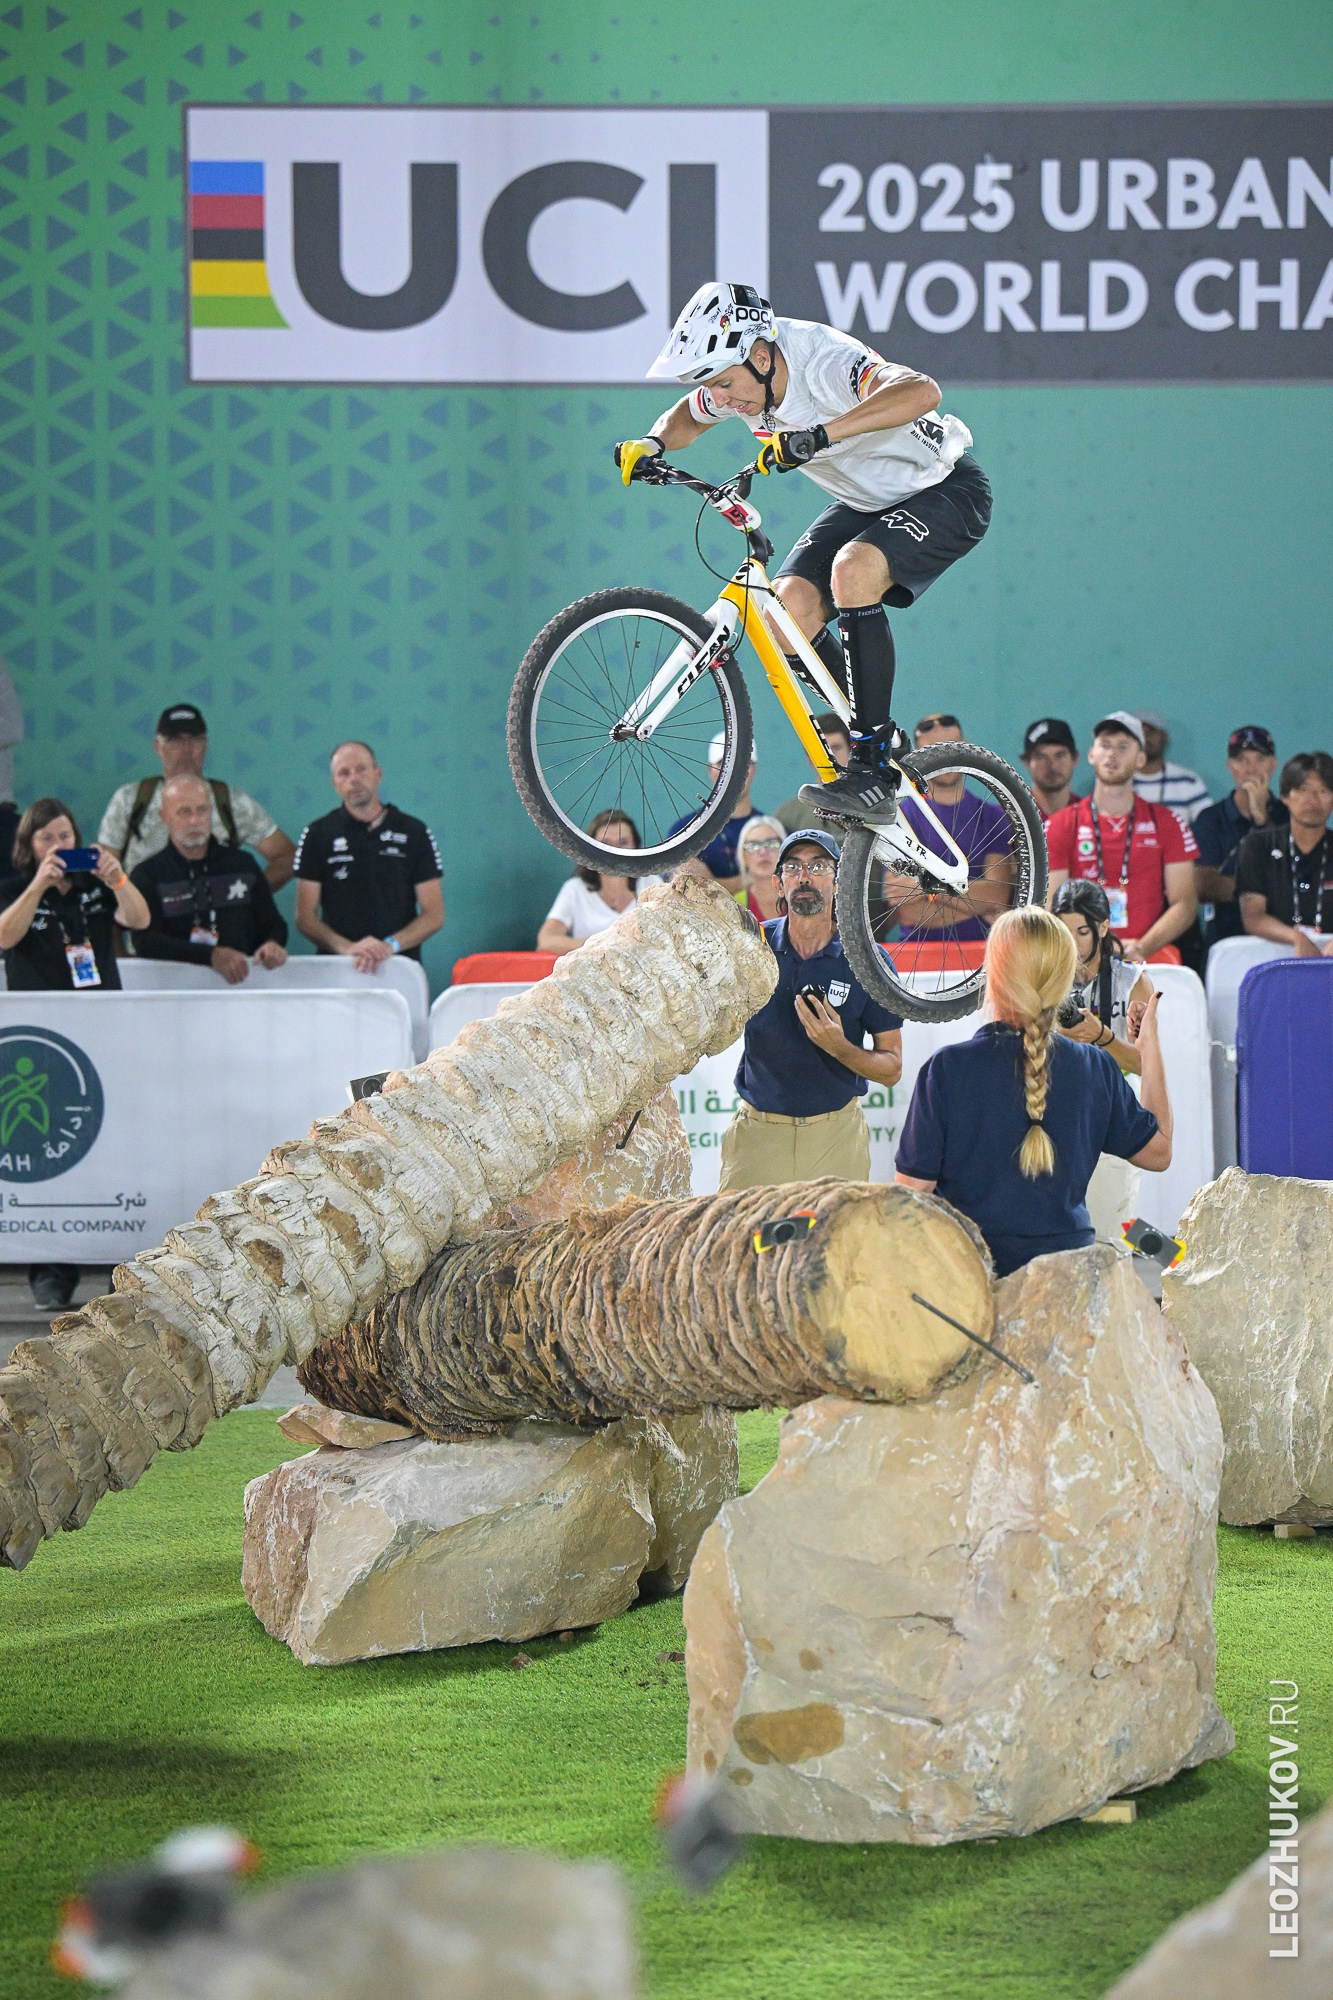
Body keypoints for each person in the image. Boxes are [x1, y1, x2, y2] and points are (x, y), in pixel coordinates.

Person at [617, 280, 991, 829]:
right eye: (714, 388)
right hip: (865, 503)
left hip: (945, 490)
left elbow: (922, 392)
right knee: (784, 613)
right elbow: (688, 415)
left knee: (853, 570)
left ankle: (869, 766)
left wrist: (821, 434)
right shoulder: (737, 383)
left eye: (725, 384)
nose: (722, 400)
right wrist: (652, 443)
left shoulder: (825, 360)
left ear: (762, 355)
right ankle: (881, 737)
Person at [895, 906, 1171, 1277]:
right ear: (1062, 980)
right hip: (1067, 1277)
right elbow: (1159, 1152)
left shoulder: (947, 1070)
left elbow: (911, 1196)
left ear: (992, 975)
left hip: (974, 1278)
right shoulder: (1094, 1067)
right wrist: (1149, 1045)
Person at [0, 798, 151, 1309]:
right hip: (44, 1040)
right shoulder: (15, 885)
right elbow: (4, 935)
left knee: (113, 1146)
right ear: (30, 846)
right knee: (54, 1150)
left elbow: (140, 920)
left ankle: (117, 1262)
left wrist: (118, 879)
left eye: (66, 837)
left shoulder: (94, 885)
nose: (59, 847)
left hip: (105, 1030)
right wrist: (38, 884)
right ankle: (50, 1269)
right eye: (47, 839)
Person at [718, 830, 902, 1190]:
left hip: (836, 1137)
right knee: (739, 1245)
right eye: (793, 867)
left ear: (840, 879)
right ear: (778, 882)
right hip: (758, 1137)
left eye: (819, 866)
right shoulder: (751, 946)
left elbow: (892, 1068)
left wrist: (839, 1047)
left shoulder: (868, 959)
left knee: (838, 1246)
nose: (805, 877)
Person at [1053, 880, 1157, 1254]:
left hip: (1112, 1116)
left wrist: (1102, 1038)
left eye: (1081, 931)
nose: (1073, 943)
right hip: (1056, 1117)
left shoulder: (1134, 982)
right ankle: (1173, 1260)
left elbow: (1149, 1066)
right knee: (1071, 1236)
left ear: (1102, 927)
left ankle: (1173, 1263)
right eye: (1062, 932)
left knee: (1110, 1239)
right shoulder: (1049, 980)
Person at [1046, 712, 1198, 962]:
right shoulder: (1060, 824)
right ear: (1091, 755)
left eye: (1123, 746)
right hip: (1079, 961)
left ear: (1140, 758)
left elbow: (1185, 904)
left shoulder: (1167, 822)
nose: (1112, 754)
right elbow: (1050, 905)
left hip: (1148, 957)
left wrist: (1140, 948)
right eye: (1105, 745)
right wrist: (1091, 949)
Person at [98, 702, 296, 888]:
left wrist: (244, 897)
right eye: (174, 739)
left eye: (194, 738)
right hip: (149, 920)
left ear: (206, 744)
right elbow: (106, 869)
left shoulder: (231, 801)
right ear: (157, 746)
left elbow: (287, 857)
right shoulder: (130, 799)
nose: (186, 748)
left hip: (215, 923)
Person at [294, 741, 444, 971]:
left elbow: (434, 914)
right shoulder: (317, 834)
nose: (354, 778)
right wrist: (347, 948)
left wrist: (388, 946)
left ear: (378, 773)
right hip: (338, 967)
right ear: (335, 784)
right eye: (344, 773)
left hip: (399, 966)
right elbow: (305, 917)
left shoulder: (414, 831)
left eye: (361, 769)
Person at [130, 775, 288, 982]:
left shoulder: (242, 864)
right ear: (164, 817)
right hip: (175, 991)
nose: (195, 820)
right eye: (184, 812)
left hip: (242, 986)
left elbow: (273, 922)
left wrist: (273, 943)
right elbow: (145, 941)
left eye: (202, 810)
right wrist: (210, 956)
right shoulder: (148, 874)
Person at [882, 713, 1014, 942]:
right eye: (934, 750)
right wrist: (975, 903)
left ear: (966, 749)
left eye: (951, 748)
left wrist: (925, 888)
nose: (945, 759)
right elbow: (907, 912)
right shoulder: (900, 818)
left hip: (984, 954)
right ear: (919, 757)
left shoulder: (993, 816)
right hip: (919, 958)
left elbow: (998, 896)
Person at [1192, 727, 1288, 952]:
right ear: (1230, 766)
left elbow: (1296, 881)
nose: (1251, 769)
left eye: (1260, 759)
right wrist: (1268, 886)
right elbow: (1205, 887)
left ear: (1273, 765)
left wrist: (1262, 819)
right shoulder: (1210, 818)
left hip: (1281, 939)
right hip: (1225, 942)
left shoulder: (1289, 815)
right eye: (1241, 760)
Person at [1236, 751, 1333, 958]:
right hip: (1274, 957)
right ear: (1285, 797)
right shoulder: (1258, 845)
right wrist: (1296, 938)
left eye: (1324, 791)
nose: (1313, 800)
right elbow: (1253, 916)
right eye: (1303, 790)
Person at [538, 809, 660, 954]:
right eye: (605, 843)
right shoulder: (575, 889)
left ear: (636, 847)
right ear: (590, 849)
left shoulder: (652, 884)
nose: (614, 851)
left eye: (623, 843)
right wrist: (601, 946)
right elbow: (546, 940)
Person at [670, 735, 760, 890]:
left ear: (754, 769)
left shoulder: (772, 831)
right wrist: (755, 879)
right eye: (723, 763)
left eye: (744, 762)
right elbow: (683, 891)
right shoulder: (683, 831)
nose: (734, 771)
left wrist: (711, 883)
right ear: (710, 769)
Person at [774, 714, 851, 834]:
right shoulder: (788, 816)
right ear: (809, 758)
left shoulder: (874, 811)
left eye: (836, 748)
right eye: (821, 750)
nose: (830, 757)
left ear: (851, 753)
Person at [1132, 710, 1212, 823]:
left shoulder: (1188, 781)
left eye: (1150, 732)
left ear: (1165, 738)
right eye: (1139, 733)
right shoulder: (1117, 781)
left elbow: (1208, 827)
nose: (1145, 738)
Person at [1021, 717, 1082, 823]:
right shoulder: (1007, 818)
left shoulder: (1089, 817)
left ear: (1075, 758)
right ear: (1026, 762)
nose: (1052, 765)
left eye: (1060, 756)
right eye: (1041, 757)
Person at [732, 815, 786, 923]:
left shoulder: (799, 898)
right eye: (753, 845)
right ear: (743, 856)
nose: (763, 852)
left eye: (771, 843)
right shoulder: (735, 905)